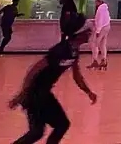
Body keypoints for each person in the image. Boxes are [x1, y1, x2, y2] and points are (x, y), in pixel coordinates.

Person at [9, 11, 97, 144]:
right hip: (34, 93)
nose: (90, 34)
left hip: (44, 93)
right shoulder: (61, 50)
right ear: (79, 34)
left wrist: (88, 92)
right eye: (87, 32)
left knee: (61, 125)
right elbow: (34, 70)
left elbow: (76, 75)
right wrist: (22, 93)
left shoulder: (74, 51)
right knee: (37, 132)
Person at [89, 0, 111, 69]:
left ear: (99, 2)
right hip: (107, 27)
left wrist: (98, 31)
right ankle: (103, 61)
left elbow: (100, 20)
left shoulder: (100, 9)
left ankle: (95, 61)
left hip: (101, 28)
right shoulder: (105, 8)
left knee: (95, 44)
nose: (95, 4)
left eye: (96, 2)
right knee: (103, 44)